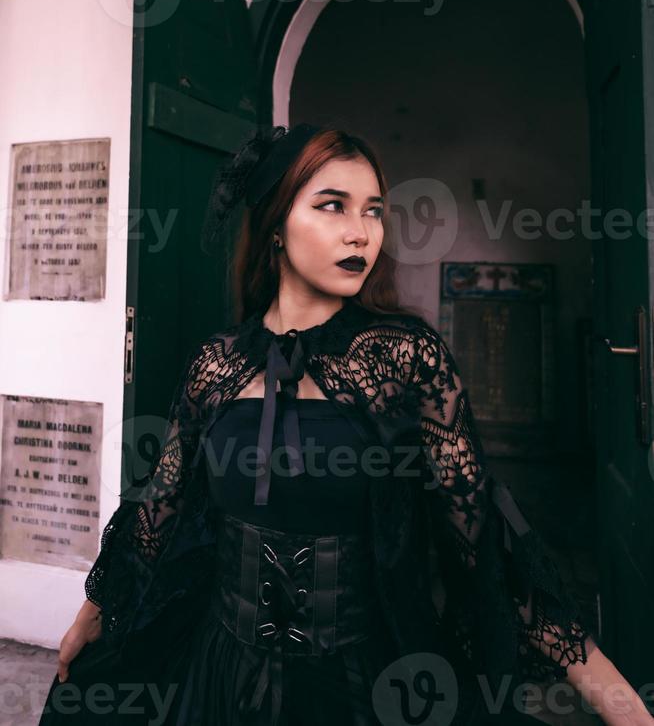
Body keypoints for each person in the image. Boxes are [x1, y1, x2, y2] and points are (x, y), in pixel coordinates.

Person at [38, 124, 650, 726]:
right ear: (276, 224)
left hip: (364, 684)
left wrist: (610, 692)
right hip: (218, 674)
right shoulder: (215, 363)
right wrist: (92, 613)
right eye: (333, 206)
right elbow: (158, 513)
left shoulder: (407, 359)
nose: (362, 232)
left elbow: (481, 537)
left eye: (374, 211)